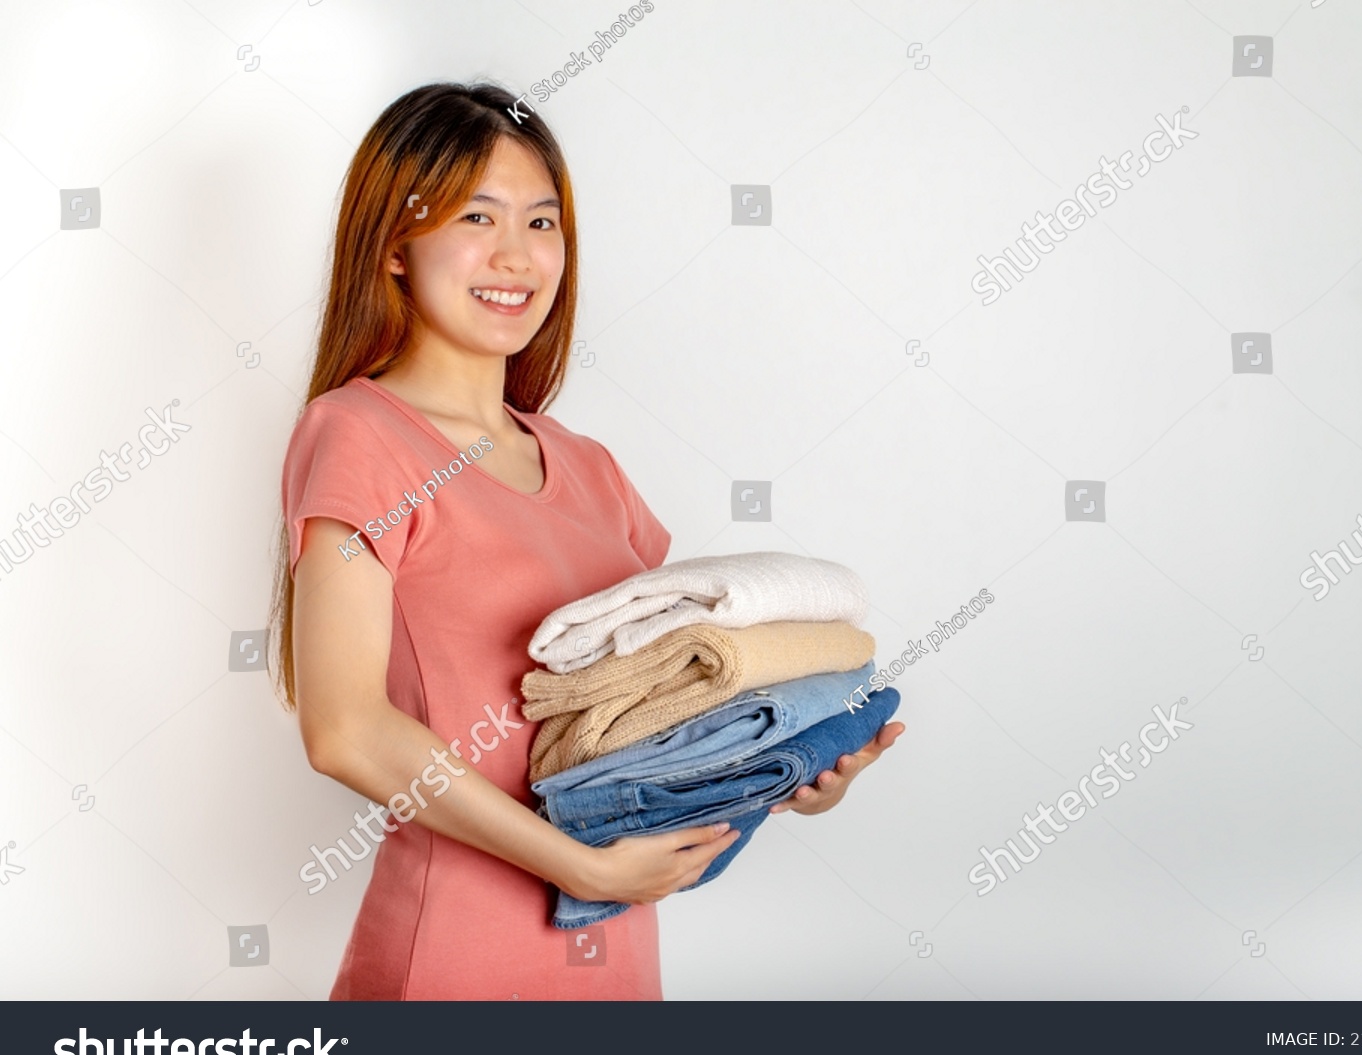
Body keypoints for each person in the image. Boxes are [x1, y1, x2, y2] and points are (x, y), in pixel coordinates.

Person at [268, 81, 904, 1000]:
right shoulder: (357, 435)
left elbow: (648, 723)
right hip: (454, 954)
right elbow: (345, 729)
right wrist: (576, 862)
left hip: (614, 956)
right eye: (475, 216)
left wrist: (787, 767)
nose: (515, 255)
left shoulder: (590, 468)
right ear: (395, 246)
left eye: (542, 222)